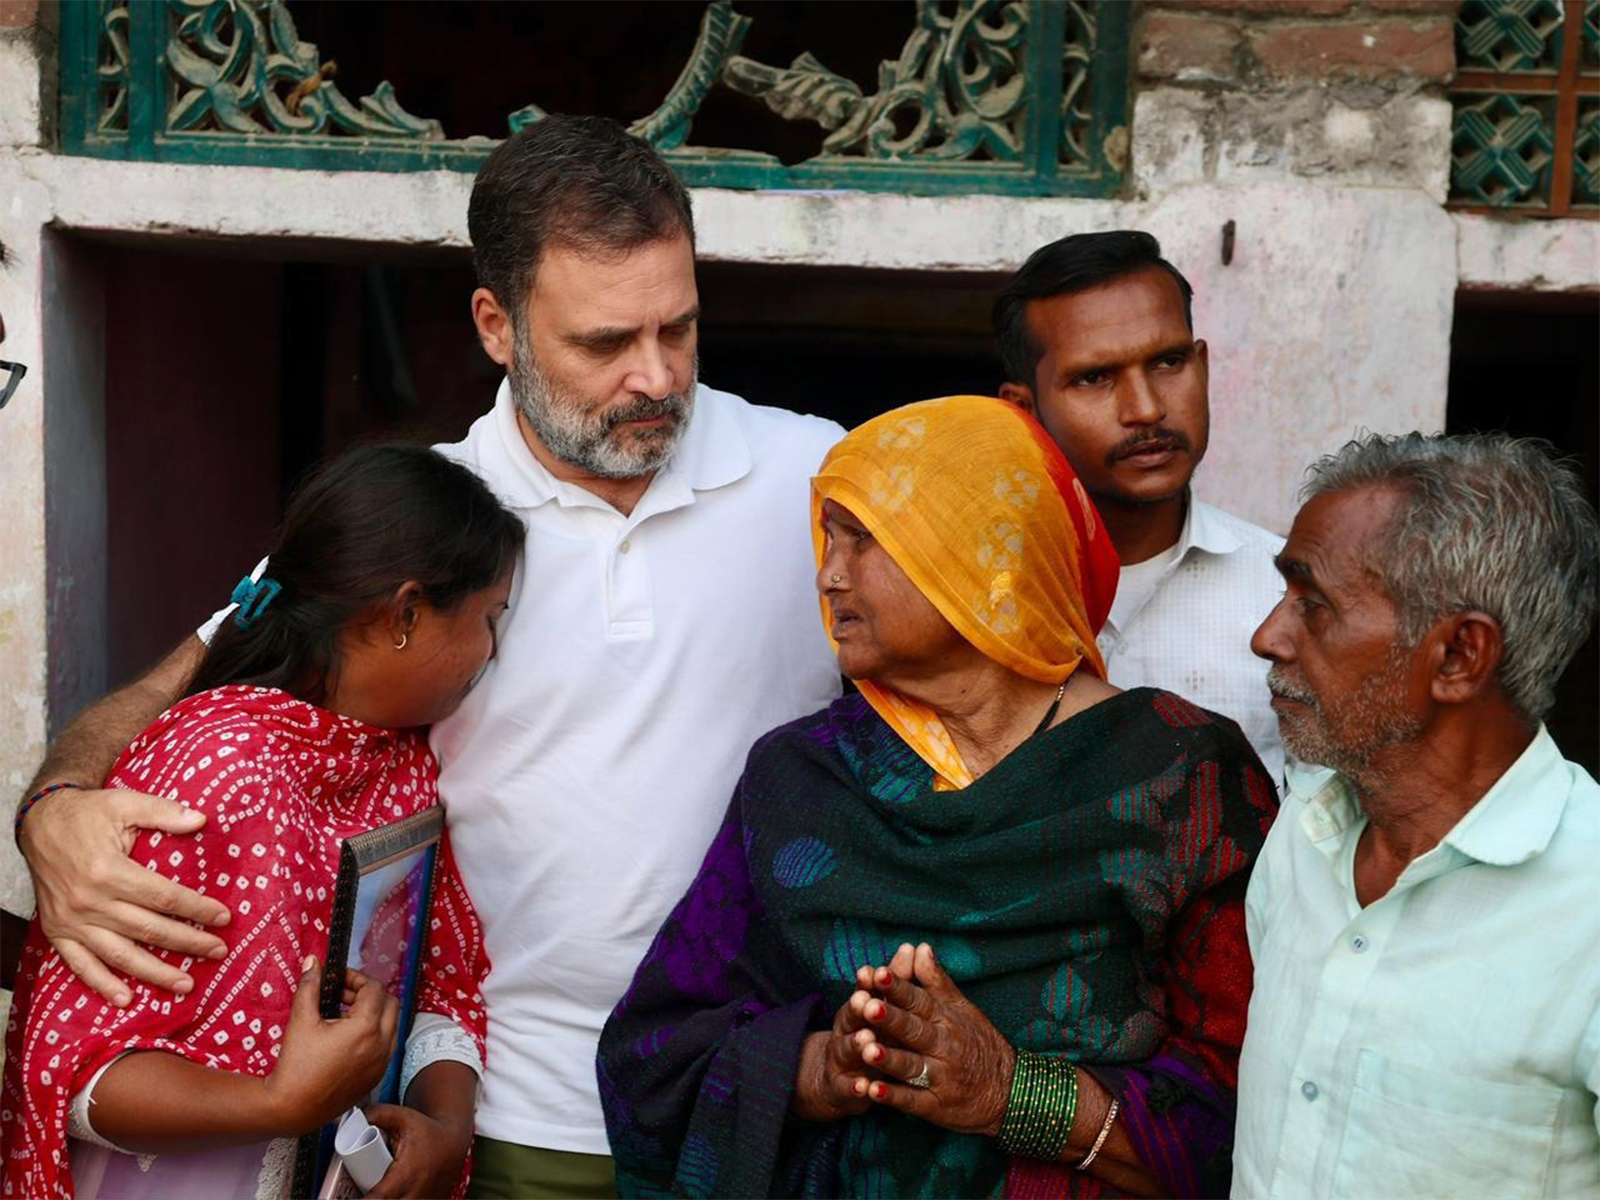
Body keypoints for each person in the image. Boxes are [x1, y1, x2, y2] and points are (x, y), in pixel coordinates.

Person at [13, 116, 843, 1197]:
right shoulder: (420, 528)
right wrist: (59, 806)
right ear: (496, 325)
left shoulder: (820, 477)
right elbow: (195, 681)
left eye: (678, 331)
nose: (654, 378)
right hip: (493, 1118)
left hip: (757, 1105)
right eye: (603, 344)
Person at [600, 395, 1278, 1198]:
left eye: (865, 540)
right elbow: (655, 1055)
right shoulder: (799, 778)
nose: (828, 574)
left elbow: (1262, 1103)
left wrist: (1009, 1095)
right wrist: (829, 1065)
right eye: (828, 538)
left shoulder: (1181, 774)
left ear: (984, 557)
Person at [3, 444, 521, 1199]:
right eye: (489, 621)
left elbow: (439, 979)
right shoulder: (216, 767)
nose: (491, 653)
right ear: (406, 612)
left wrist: (445, 1123)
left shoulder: (400, 762)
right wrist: (276, 1105)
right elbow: (76, 1071)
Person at [1233, 432, 1600, 1199]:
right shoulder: (1302, 834)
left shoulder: (1587, 904)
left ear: (1459, 656)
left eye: (1315, 605)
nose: (1268, 637)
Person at [994, 232, 1286, 786]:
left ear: (1202, 365)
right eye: (1094, 378)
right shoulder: (971, 599)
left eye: (1169, 362)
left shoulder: (1288, 596)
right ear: (1024, 409)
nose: (1146, 409)